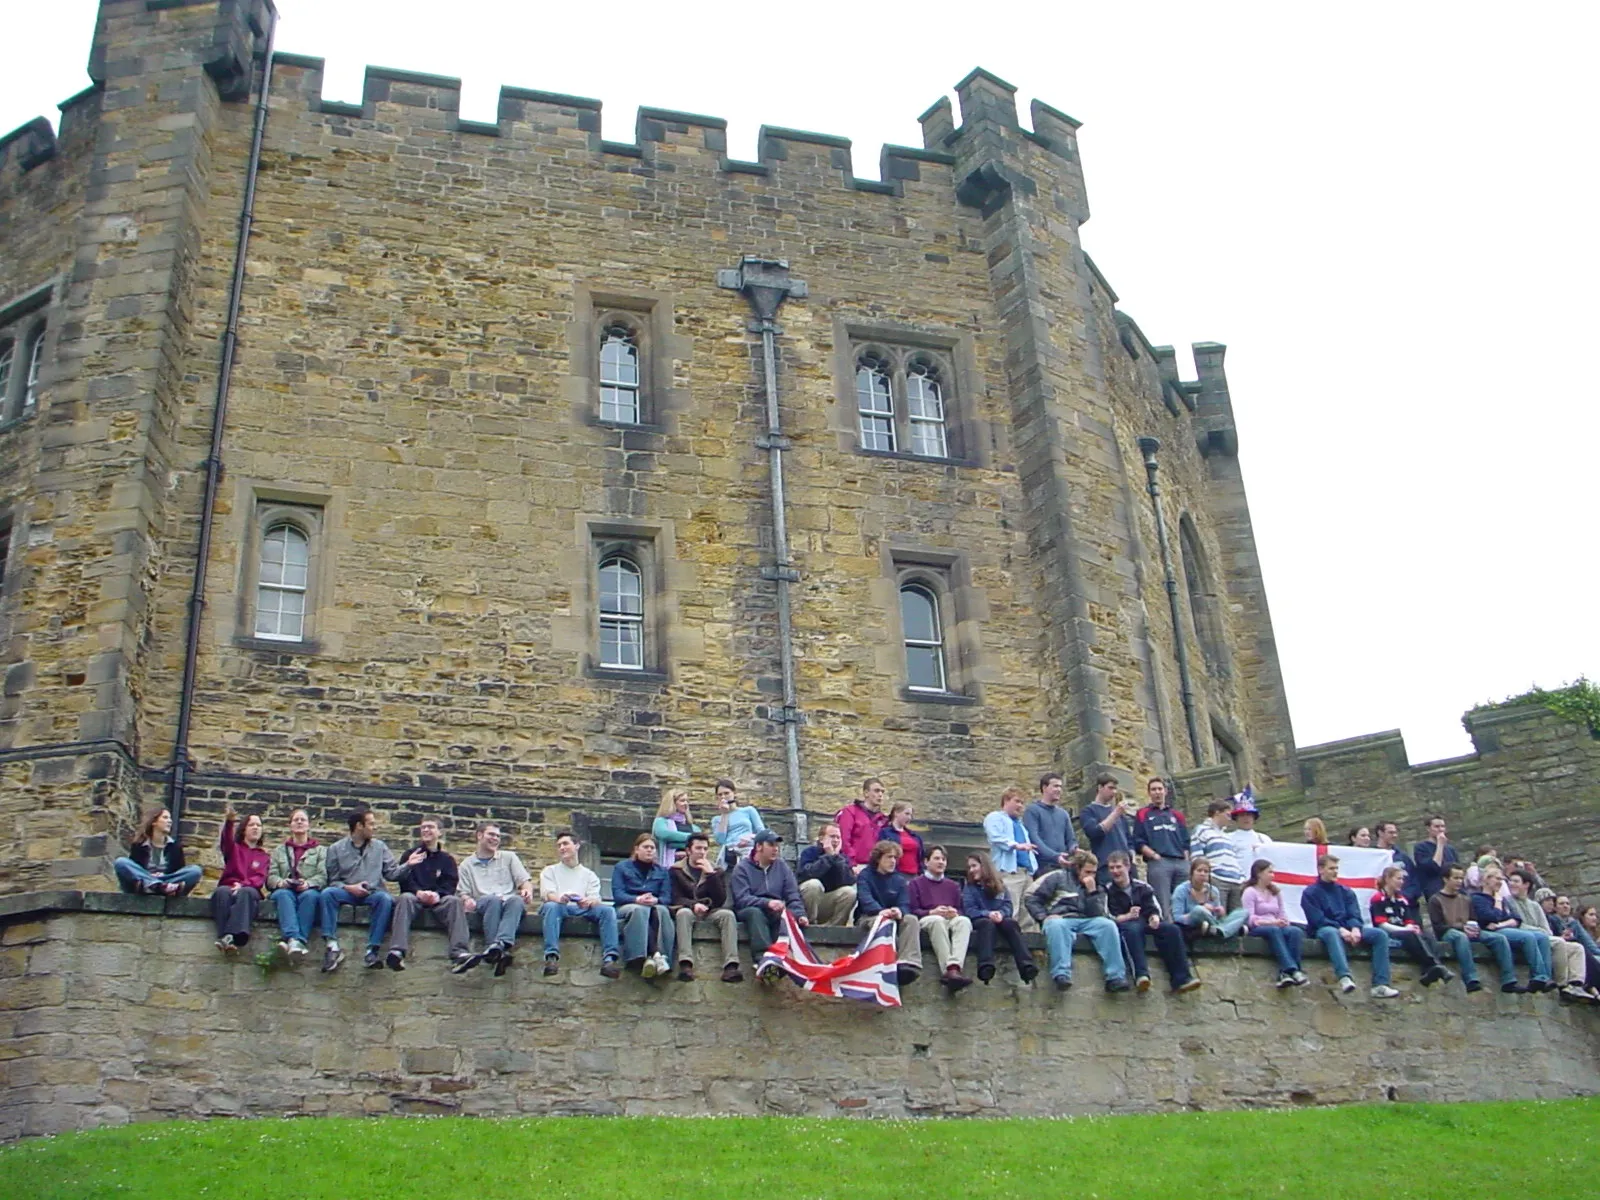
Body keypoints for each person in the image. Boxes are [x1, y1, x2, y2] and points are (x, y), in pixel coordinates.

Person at [1025, 851, 1130, 993]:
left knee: (1108, 925)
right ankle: (1061, 974)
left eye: (1093, 872)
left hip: (1087, 920)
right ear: (1077, 868)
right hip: (1061, 918)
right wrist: (1043, 917)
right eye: (1087, 872)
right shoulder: (1058, 877)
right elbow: (1031, 896)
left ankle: (1115, 977)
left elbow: (1099, 913)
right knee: (1056, 926)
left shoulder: (1098, 885)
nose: (1091, 876)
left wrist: (1092, 892)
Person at [1301, 853, 1399, 997]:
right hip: (1324, 929)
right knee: (1331, 933)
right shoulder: (1310, 893)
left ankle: (1380, 984)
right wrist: (1340, 929)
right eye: (1331, 868)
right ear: (1321, 870)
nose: (1335, 872)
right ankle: (1344, 976)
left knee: (1380, 935)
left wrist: (1355, 928)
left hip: (1349, 928)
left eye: (1336, 868)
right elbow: (1317, 919)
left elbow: (1354, 913)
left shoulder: (1345, 891)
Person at [317, 808, 399, 973]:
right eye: (371, 824)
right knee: (327, 894)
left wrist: (409, 865)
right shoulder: (336, 848)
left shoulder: (379, 847)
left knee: (385, 899)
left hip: (372, 892)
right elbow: (332, 880)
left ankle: (372, 951)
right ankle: (332, 946)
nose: (374, 828)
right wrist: (349, 887)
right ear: (359, 826)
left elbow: (392, 873)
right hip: (347, 892)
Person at [1105, 850, 1198, 994]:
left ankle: (1182, 978)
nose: (1115, 871)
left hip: (1145, 921)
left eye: (1118, 867)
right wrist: (1127, 916)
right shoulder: (1107, 890)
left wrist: (1154, 917)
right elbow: (1108, 916)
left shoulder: (1143, 887)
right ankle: (1141, 975)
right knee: (1132, 930)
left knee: (1171, 930)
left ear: (1128, 866)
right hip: (1125, 924)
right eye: (1112, 868)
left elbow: (1153, 907)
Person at [388, 817, 470, 971]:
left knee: (454, 902)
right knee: (404, 898)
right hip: (415, 898)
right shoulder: (410, 855)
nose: (425, 830)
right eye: (423, 827)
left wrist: (437, 895)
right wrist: (418, 892)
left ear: (439, 832)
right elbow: (404, 880)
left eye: (430, 827)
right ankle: (397, 951)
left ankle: (460, 953)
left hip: (438, 901)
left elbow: (450, 883)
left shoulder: (447, 860)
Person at [537, 830, 621, 979]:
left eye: (565, 844)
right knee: (551, 907)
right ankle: (551, 957)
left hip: (582, 909)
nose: (562, 848)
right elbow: (548, 894)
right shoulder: (549, 871)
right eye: (559, 845)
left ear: (576, 845)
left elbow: (595, 898)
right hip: (558, 907)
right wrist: (560, 899)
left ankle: (610, 960)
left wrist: (588, 901)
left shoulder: (589, 875)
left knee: (607, 911)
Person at [456, 822, 535, 978]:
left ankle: (499, 945)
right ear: (479, 836)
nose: (495, 839)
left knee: (516, 901)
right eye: (491, 835)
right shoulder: (466, 865)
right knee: (493, 900)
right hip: (484, 902)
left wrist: (527, 891)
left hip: (508, 902)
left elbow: (524, 881)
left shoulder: (509, 858)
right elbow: (463, 893)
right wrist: (467, 900)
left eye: (498, 836)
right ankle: (493, 945)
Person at [730, 829, 808, 975]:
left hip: (774, 909)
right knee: (755, 913)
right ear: (759, 846)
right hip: (749, 908)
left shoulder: (782, 867)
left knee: (786, 916)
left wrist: (800, 914)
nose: (775, 849)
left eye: (777, 846)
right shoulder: (742, 868)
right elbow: (741, 899)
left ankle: (781, 958)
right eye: (771, 845)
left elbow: (792, 894)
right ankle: (762, 958)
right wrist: (767, 903)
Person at [669, 832, 741, 983]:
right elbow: (675, 897)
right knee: (683, 914)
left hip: (710, 910)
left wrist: (711, 875)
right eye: (698, 848)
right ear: (688, 851)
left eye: (705, 849)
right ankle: (686, 964)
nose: (702, 852)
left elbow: (720, 899)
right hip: (687, 909)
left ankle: (731, 966)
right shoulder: (676, 870)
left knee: (727, 915)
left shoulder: (716, 870)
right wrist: (693, 905)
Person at [1427, 863, 1511, 994]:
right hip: (1449, 932)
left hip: (1468, 930)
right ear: (1445, 879)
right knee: (1461, 937)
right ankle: (1471, 978)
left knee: (1499, 938)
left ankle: (1509, 979)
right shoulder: (1435, 900)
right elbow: (1438, 926)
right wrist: (1462, 928)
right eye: (1456, 878)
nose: (1459, 881)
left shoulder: (1466, 899)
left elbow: (1473, 919)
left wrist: (1474, 928)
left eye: (1461, 878)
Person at [1508, 869, 1588, 1002]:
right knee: (1559, 943)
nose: (1511, 884)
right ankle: (1562, 985)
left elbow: (1547, 930)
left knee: (1576, 948)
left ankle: (1576, 984)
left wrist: (1539, 931)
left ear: (1526, 885)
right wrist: (1538, 931)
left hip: (1543, 936)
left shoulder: (1534, 905)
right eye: (1510, 881)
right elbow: (1517, 925)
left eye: (1516, 881)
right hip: (1526, 937)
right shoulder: (1508, 901)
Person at [1470, 864, 1551, 992]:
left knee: (1542, 937)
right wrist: (1497, 904)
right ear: (1487, 879)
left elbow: (1516, 919)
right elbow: (1490, 917)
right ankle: (1538, 975)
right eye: (1497, 879)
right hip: (1490, 931)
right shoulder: (1478, 898)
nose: (1500, 883)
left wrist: (1501, 923)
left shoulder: (1501, 900)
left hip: (1501, 928)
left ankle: (1545, 977)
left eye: (1501, 880)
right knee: (1527, 937)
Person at [1368, 865, 1451, 986]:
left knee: (1427, 936)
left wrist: (1412, 927)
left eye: (1402, 879)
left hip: (1404, 931)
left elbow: (1408, 919)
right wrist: (1405, 929)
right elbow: (1382, 924)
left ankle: (1430, 969)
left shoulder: (1402, 899)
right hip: (1390, 932)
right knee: (1410, 935)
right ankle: (1434, 966)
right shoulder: (1378, 898)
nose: (1401, 882)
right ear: (1387, 879)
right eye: (1398, 879)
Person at [855, 840, 924, 985]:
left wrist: (900, 911)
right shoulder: (865, 876)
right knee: (884, 922)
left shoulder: (899, 880)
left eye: (895, 858)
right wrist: (881, 911)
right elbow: (865, 900)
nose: (893, 861)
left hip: (893, 917)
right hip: (869, 917)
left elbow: (905, 903)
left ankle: (909, 962)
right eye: (889, 857)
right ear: (878, 858)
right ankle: (885, 963)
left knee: (911, 919)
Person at [962, 853, 1037, 984]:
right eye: (969, 867)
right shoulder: (969, 888)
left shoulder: (1000, 885)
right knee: (987, 924)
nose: (971, 870)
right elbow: (969, 909)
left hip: (999, 918)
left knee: (1010, 924)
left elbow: (1008, 905)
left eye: (974, 866)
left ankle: (1026, 965)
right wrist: (987, 914)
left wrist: (1001, 914)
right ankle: (986, 965)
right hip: (981, 919)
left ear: (984, 866)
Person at [908, 845, 974, 991]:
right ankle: (948, 970)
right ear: (926, 861)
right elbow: (912, 910)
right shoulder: (915, 883)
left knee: (964, 921)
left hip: (949, 919)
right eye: (937, 858)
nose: (941, 862)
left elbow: (962, 909)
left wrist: (955, 913)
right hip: (928, 918)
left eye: (943, 859)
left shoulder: (953, 885)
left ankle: (955, 966)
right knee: (937, 922)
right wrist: (931, 912)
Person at [611, 832, 676, 978]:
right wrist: (637, 899)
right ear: (636, 849)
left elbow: (667, 896)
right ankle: (642, 956)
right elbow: (618, 894)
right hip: (627, 905)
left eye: (652, 848)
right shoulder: (622, 867)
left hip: (653, 906)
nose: (649, 850)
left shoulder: (662, 871)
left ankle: (661, 957)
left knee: (661, 910)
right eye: (645, 847)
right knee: (640, 910)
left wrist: (656, 900)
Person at [267, 808, 325, 961]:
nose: (299, 822)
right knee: (283, 895)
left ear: (308, 825)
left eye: (303, 820)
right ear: (290, 825)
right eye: (296, 820)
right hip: (286, 890)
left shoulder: (320, 851)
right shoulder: (279, 851)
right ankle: (294, 939)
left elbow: (323, 876)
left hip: (308, 890)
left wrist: (308, 883)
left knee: (310, 896)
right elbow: (271, 876)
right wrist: (281, 882)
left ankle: (295, 941)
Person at [210, 806, 270, 955]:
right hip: (229, 886)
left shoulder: (263, 856)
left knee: (246, 892)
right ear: (244, 829)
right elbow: (226, 841)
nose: (255, 828)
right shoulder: (234, 849)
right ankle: (225, 936)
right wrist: (229, 822)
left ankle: (235, 935)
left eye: (258, 825)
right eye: (251, 825)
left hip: (250, 890)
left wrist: (243, 885)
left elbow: (259, 878)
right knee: (222, 892)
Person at [1241, 859, 1308, 987]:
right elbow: (1249, 918)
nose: (1273, 875)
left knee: (1295, 932)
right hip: (1259, 927)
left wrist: (1284, 921)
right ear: (1259, 873)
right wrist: (1271, 922)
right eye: (1269, 872)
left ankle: (1287, 973)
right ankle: (1292, 969)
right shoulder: (1250, 892)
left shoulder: (1275, 892)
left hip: (1276, 924)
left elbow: (1281, 912)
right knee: (1274, 930)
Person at [113, 806, 203, 897]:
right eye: (165, 817)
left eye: (170, 818)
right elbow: (135, 870)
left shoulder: (175, 846)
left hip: (167, 881)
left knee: (195, 870)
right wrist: (150, 876)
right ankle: (154, 885)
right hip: (142, 885)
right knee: (121, 862)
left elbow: (178, 872)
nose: (170, 821)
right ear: (154, 822)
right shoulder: (139, 845)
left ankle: (157, 886)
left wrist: (163, 875)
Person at [1133, 776, 1190, 919]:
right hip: (1159, 863)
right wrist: (1153, 855)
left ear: (1165, 791)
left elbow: (1185, 841)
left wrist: (1186, 862)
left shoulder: (1177, 815)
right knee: (1162, 904)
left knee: (1183, 903)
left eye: (1160, 789)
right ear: (1149, 793)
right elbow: (1138, 840)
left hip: (1180, 862)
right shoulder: (1143, 814)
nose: (1157, 792)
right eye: (1153, 790)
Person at [982, 786, 1038, 917]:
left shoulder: (1020, 825)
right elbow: (995, 837)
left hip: (1026, 873)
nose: (1021, 806)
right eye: (1017, 801)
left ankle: (1027, 937)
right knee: (1012, 910)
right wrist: (1016, 846)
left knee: (1028, 914)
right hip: (1009, 872)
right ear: (1006, 801)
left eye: (1022, 803)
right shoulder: (995, 817)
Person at [1190, 799, 1248, 912]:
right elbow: (1197, 857)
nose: (1230, 818)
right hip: (1217, 878)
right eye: (1227, 814)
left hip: (1235, 880)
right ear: (1217, 812)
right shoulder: (1201, 830)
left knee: (1238, 915)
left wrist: (1241, 876)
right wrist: (1206, 876)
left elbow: (1232, 857)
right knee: (1219, 913)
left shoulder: (1226, 836)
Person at [796, 822, 857, 926]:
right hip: (808, 902)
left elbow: (847, 881)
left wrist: (836, 858)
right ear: (821, 839)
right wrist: (828, 857)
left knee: (850, 892)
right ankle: (809, 924)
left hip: (827, 902)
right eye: (832, 836)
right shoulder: (809, 852)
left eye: (838, 837)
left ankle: (833, 929)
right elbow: (806, 874)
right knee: (813, 885)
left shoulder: (842, 858)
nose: (836, 840)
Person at [1170, 857, 1246, 939]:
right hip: (1192, 924)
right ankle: (1231, 930)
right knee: (1198, 910)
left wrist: (1221, 913)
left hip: (1211, 924)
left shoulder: (1214, 891)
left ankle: (1219, 930)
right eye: (1199, 870)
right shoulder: (1181, 890)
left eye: (1206, 871)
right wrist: (1201, 910)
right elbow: (1177, 918)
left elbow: (1217, 918)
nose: (1202, 874)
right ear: (1192, 873)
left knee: (1243, 912)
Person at [1079, 774, 1135, 884]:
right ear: (1100, 788)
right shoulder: (1089, 811)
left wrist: (1131, 855)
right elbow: (1095, 832)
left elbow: (1129, 838)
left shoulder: (1119, 813)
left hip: (1126, 867)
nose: (1114, 792)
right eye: (1110, 788)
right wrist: (1115, 814)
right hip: (1106, 867)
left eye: (1115, 788)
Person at [1023, 771, 1077, 878]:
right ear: (1044, 787)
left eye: (1060, 787)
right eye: (1055, 786)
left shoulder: (1063, 814)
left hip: (1063, 867)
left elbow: (1071, 839)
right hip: (1042, 867)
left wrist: (1074, 848)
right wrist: (1054, 856)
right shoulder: (1033, 810)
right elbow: (1034, 839)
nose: (1059, 790)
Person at [711, 779, 766, 871]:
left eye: (726, 793)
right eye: (720, 795)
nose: (723, 797)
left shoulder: (748, 811)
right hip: (730, 855)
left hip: (748, 851)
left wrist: (751, 837)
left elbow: (763, 833)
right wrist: (724, 814)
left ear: (734, 793)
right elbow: (720, 840)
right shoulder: (717, 819)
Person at [837, 777, 889, 869]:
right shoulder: (850, 812)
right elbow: (844, 839)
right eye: (876, 791)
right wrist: (851, 863)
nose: (880, 794)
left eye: (882, 791)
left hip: (876, 868)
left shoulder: (883, 819)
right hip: (855, 866)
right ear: (866, 793)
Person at [1412, 815, 1458, 899]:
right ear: (1428, 828)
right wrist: (1440, 845)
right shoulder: (1421, 847)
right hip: (1436, 892)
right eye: (1437, 827)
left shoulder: (1450, 849)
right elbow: (1434, 867)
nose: (1440, 829)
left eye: (1443, 826)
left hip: (1454, 892)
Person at [651, 789, 699, 871]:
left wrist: (673, 844)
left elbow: (699, 842)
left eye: (687, 801)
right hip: (667, 867)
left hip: (690, 868)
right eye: (682, 801)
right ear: (672, 803)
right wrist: (691, 838)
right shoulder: (661, 821)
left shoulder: (694, 827)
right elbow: (664, 834)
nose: (686, 804)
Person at [1374, 821, 1419, 903]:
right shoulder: (1372, 856)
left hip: (1406, 904)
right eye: (1390, 833)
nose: (1394, 835)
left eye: (1395, 832)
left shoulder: (1402, 857)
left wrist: (1405, 897)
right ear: (1380, 833)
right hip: (1381, 904)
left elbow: (1415, 880)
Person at [1226, 790, 1271, 870]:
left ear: (1254, 817)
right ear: (1236, 818)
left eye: (1249, 815)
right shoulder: (1228, 839)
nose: (1246, 818)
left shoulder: (1264, 839)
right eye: (1242, 815)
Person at [881, 802, 925, 874]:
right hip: (896, 875)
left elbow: (921, 858)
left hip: (914, 876)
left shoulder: (914, 836)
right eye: (907, 814)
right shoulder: (886, 833)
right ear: (896, 813)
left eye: (911, 815)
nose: (909, 817)